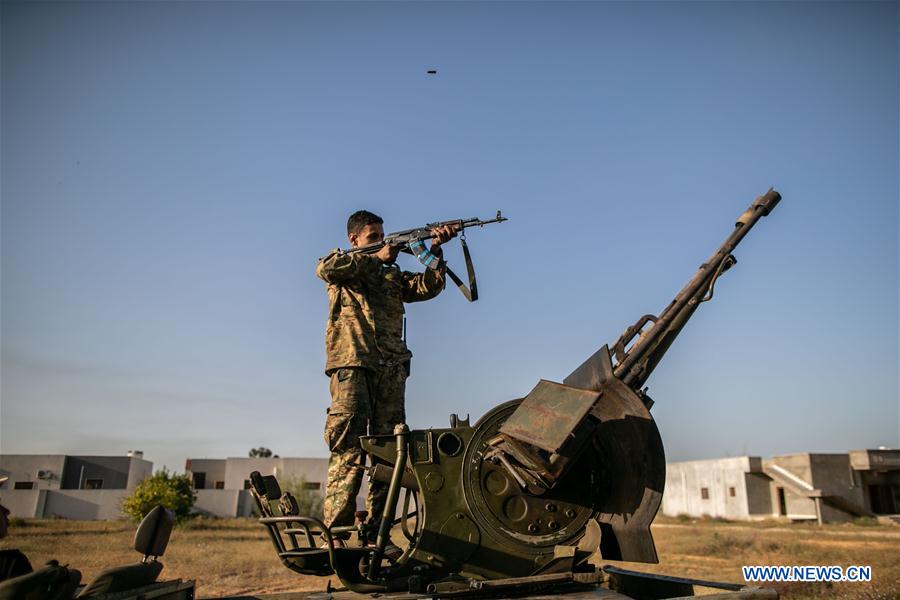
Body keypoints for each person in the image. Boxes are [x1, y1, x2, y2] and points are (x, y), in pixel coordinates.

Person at [316, 210, 457, 542]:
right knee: (348, 445)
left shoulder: (390, 276)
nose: (381, 241)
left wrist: (435, 251)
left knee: (387, 450)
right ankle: (336, 532)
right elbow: (324, 268)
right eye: (373, 236)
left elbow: (428, 286)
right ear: (354, 240)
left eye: (382, 235)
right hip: (352, 365)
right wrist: (375, 257)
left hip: (391, 369)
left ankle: (378, 533)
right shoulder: (344, 268)